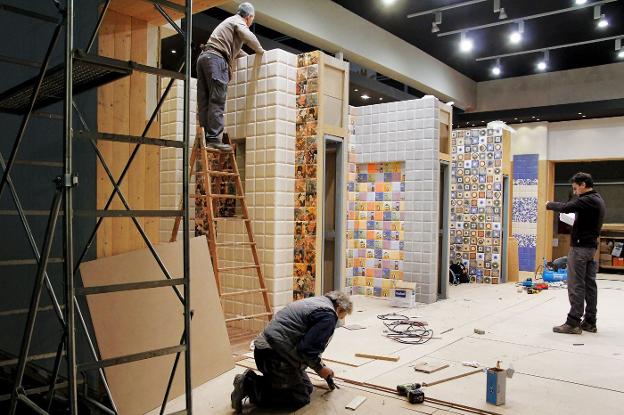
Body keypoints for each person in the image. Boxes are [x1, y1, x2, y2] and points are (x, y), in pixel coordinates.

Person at [230, 291, 353, 412]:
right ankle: (249, 385)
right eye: (342, 317)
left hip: (266, 350)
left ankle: (269, 383)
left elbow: (310, 345)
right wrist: (320, 369)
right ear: (340, 309)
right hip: (273, 356)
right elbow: (307, 350)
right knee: (300, 398)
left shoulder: (315, 303)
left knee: (307, 388)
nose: (339, 320)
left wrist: (321, 365)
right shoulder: (328, 316)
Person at [197, 2, 265, 151]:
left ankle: (204, 137)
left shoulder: (228, 24)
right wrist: (261, 51)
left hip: (204, 58)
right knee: (217, 100)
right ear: (249, 17)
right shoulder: (238, 21)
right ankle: (214, 139)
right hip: (215, 59)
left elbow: (235, 51)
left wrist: (249, 59)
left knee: (205, 101)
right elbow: (247, 35)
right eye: (251, 19)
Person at [546, 172, 606, 334]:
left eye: (575, 188)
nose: (574, 192)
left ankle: (573, 322)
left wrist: (549, 204)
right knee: (589, 285)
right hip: (590, 248)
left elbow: (566, 207)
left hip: (580, 249)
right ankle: (590, 321)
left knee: (576, 285)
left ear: (583, 185)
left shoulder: (588, 200)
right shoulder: (597, 199)